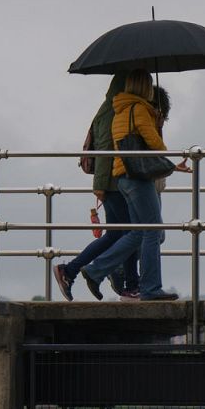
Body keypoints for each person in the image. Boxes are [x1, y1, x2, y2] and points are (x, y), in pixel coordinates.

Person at [80, 70, 190, 301]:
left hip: (123, 177)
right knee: (153, 231)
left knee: (140, 231)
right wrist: (157, 123)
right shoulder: (139, 109)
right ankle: (149, 287)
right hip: (139, 178)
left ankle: (96, 271)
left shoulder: (120, 110)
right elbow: (155, 146)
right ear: (145, 87)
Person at [53, 76, 137, 300]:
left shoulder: (109, 109)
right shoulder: (113, 112)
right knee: (132, 232)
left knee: (118, 234)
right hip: (113, 183)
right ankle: (127, 283)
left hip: (111, 183)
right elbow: (105, 149)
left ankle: (72, 271)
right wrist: (99, 185)